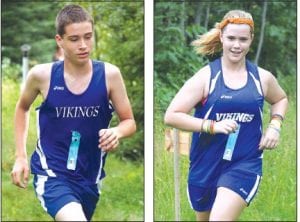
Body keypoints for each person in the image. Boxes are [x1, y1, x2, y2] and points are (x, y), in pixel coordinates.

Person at [11, 4, 136, 221]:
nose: (84, 45)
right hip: (52, 173)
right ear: (59, 40)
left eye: (88, 37)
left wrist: (117, 132)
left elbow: (129, 122)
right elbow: (22, 108)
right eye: (75, 39)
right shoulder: (42, 76)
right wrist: (21, 157)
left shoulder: (110, 75)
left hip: (90, 177)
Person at [164, 10, 288, 221]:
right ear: (221, 36)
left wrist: (274, 126)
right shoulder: (206, 77)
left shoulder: (262, 78)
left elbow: (280, 99)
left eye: (243, 39)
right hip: (204, 165)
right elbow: (172, 116)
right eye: (231, 38)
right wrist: (212, 126)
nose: (236, 45)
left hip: (244, 163)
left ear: (251, 40)